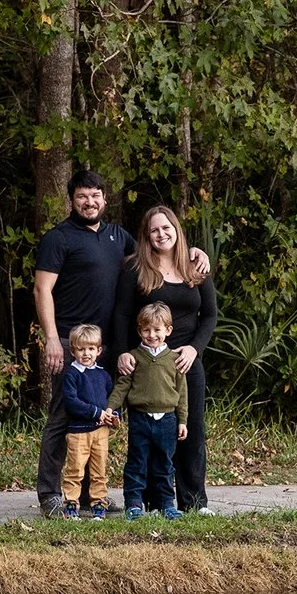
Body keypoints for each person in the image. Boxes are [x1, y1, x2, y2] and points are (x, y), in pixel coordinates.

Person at [30, 170, 209, 519]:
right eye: (82, 196)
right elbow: (42, 290)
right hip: (73, 342)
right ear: (72, 199)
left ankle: (88, 494)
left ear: (104, 199)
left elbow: (157, 250)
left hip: (110, 345)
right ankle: (51, 494)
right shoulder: (58, 239)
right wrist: (52, 338)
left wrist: (194, 251)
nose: (89, 202)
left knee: (101, 420)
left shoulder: (118, 237)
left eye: (95, 195)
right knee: (65, 415)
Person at [117, 205, 218, 513]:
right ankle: (151, 501)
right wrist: (123, 352)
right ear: (146, 237)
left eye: (166, 228)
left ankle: (193, 502)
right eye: (154, 230)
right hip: (148, 366)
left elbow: (210, 315)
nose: (161, 234)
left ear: (177, 230)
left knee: (192, 431)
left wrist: (194, 349)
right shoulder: (135, 268)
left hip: (186, 363)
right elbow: (121, 315)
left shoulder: (195, 268)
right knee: (149, 434)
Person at [106, 303, 190, 518]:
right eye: (146, 330)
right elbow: (122, 386)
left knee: (164, 464)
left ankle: (166, 504)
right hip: (140, 418)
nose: (151, 335)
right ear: (139, 331)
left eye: (157, 330)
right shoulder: (134, 357)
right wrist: (109, 407)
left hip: (167, 419)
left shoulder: (174, 359)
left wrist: (182, 421)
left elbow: (181, 392)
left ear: (168, 330)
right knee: (137, 462)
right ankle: (133, 503)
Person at [55, 326, 117, 519]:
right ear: (73, 351)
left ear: (98, 351)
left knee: (99, 471)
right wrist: (96, 413)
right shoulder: (72, 374)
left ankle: (99, 503)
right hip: (79, 433)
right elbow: (72, 402)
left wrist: (113, 414)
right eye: (81, 349)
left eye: (91, 349)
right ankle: (71, 504)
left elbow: (112, 398)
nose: (86, 354)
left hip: (101, 432)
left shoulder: (103, 375)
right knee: (75, 470)